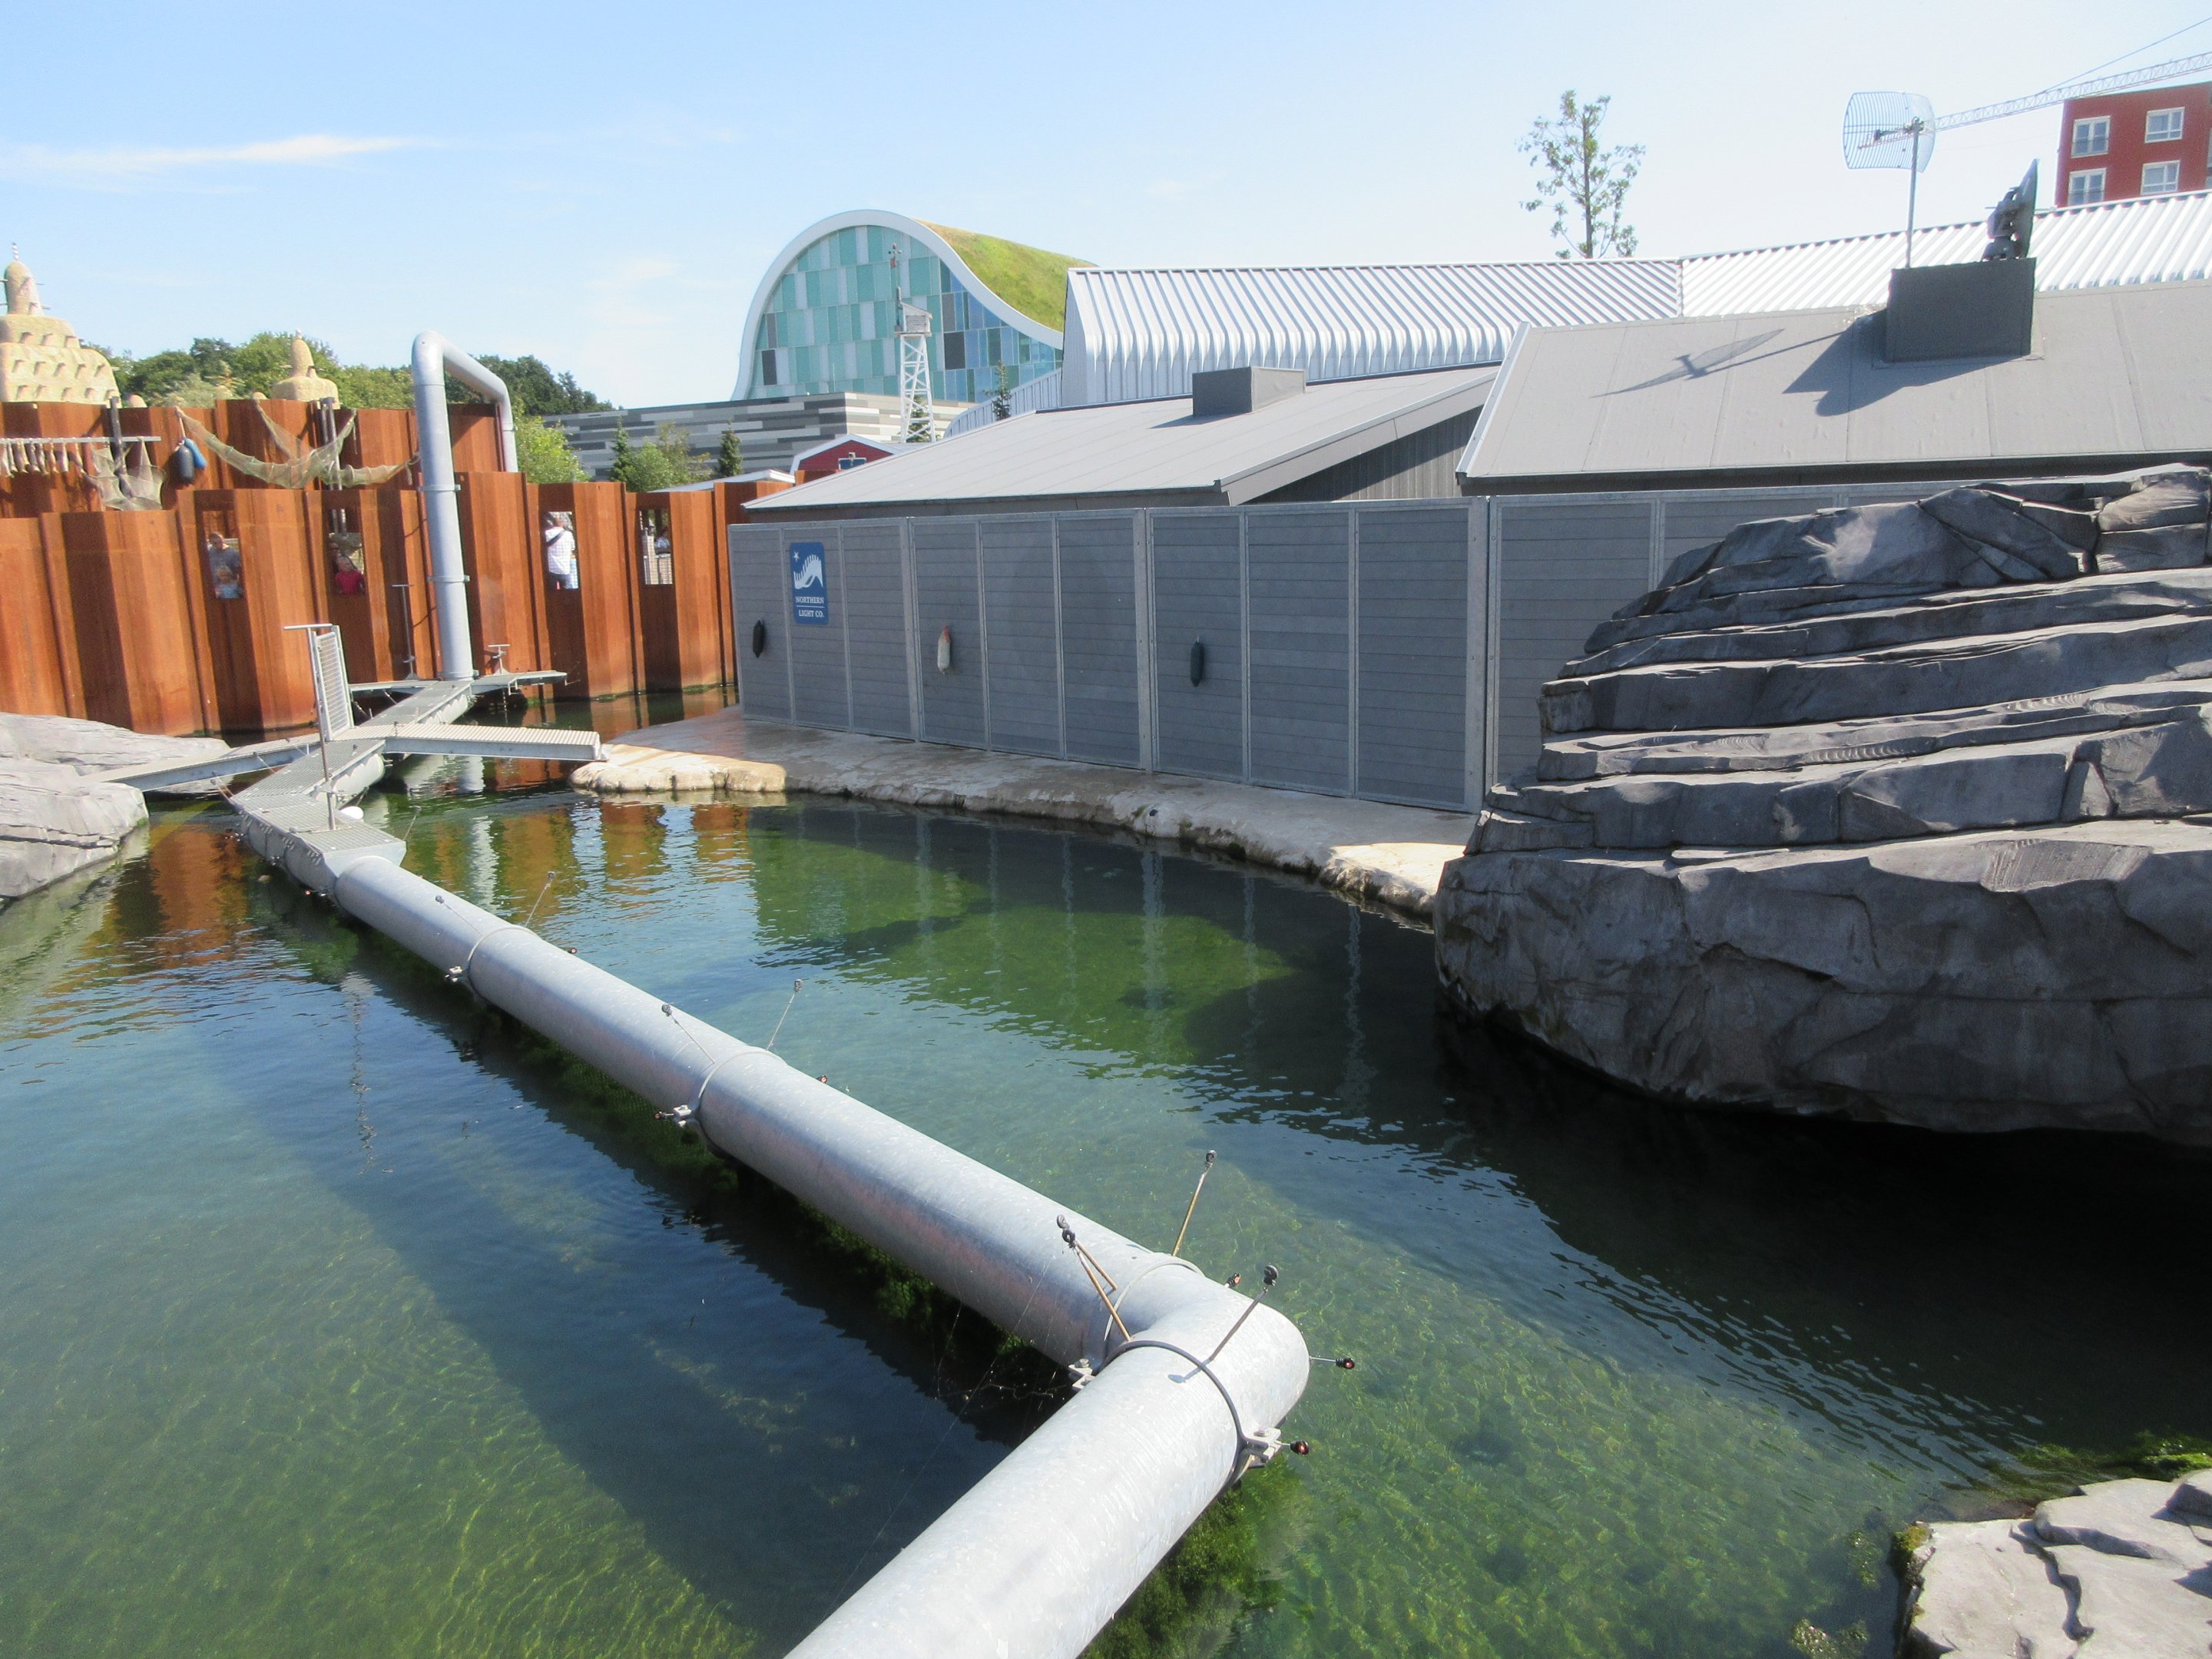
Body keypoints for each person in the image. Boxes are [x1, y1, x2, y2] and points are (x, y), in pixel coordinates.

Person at [543, 511, 578, 591]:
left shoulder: (547, 533)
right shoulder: (568, 534)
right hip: (565, 568)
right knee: (567, 591)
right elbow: (573, 547)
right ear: (562, 524)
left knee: (552, 592)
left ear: (553, 524)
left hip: (552, 568)